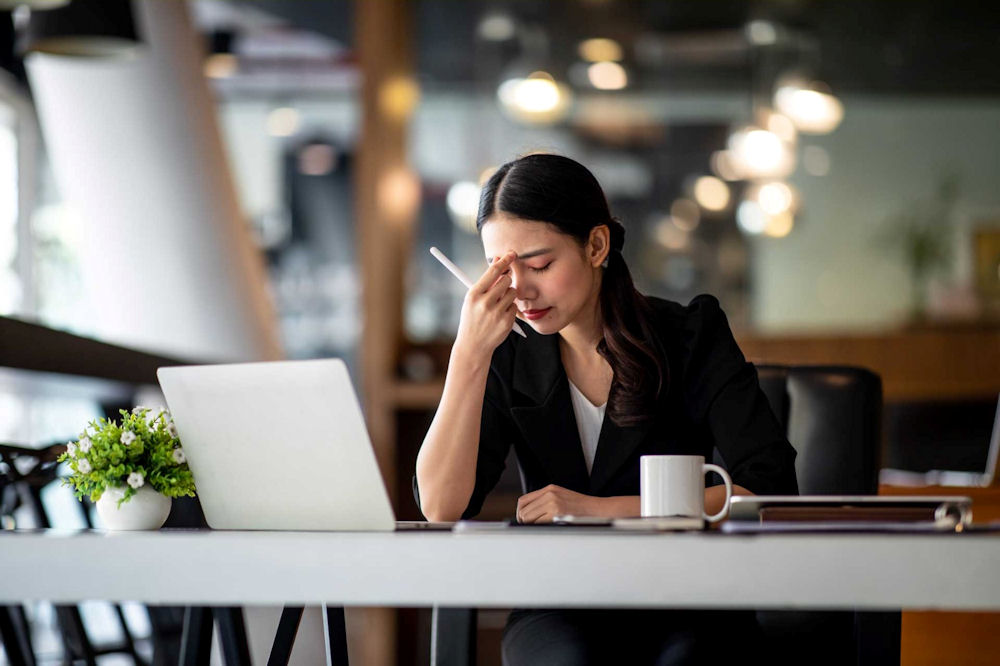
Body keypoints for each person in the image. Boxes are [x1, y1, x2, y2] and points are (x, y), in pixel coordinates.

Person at [414, 153, 798, 665]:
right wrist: (468, 354)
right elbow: (441, 507)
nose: (520, 290)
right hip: (561, 600)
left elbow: (771, 490)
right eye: (500, 269)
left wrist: (599, 511)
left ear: (596, 246)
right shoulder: (505, 352)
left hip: (688, 596)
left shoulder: (691, 335)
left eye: (539, 264)